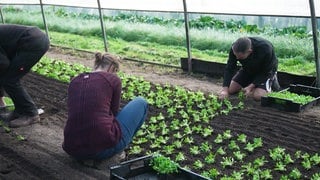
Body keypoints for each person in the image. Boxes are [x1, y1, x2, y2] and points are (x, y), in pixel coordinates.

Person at [62, 52, 148, 162]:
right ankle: (118, 150)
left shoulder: (75, 81)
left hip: (71, 147)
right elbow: (114, 112)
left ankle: (87, 152)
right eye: (116, 71)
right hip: (99, 151)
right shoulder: (112, 79)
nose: (115, 74)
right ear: (112, 67)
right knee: (141, 102)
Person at [0, 24, 50, 127]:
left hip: (32, 42)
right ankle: (19, 112)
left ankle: (31, 114)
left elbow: (3, 64)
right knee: (7, 78)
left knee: (10, 80)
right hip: (30, 40)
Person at [219, 36, 280, 101]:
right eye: (235, 56)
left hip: (266, 72)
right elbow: (230, 68)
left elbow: (266, 71)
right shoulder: (235, 48)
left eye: (240, 58)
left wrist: (250, 87)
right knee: (230, 90)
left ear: (249, 51)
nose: (237, 58)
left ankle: (271, 82)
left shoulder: (265, 49)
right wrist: (224, 90)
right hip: (248, 69)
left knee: (258, 96)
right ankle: (253, 84)